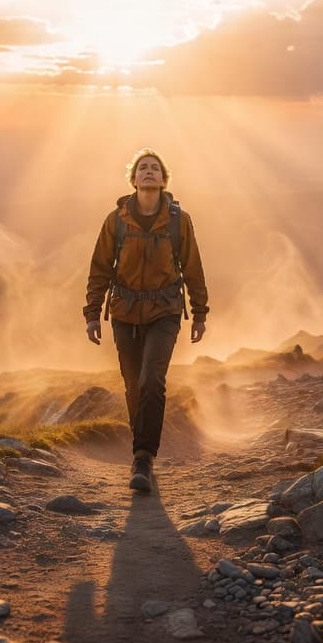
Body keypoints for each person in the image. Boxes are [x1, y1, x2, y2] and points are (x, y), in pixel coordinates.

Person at [84, 148, 209, 492]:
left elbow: (193, 267)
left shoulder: (179, 221)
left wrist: (200, 312)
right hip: (124, 312)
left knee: (152, 379)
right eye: (143, 168)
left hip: (165, 311)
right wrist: (92, 313)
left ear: (164, 179)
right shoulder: (116, 221)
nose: (149, 172)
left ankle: (142, 457)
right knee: (133, 386)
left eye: (155, 168)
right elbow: (99, 268)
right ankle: (142, 451)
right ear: (134, 179)